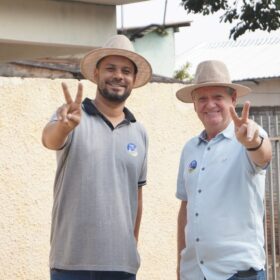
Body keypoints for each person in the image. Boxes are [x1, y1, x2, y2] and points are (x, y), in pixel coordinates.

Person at [42, 34, 152, 280]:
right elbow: (50, 139)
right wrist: (64, 127)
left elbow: (136, 197)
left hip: (121, 265)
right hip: (70, 262)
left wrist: (130, 247)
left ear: (133, 79)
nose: (118, 76)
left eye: (126, 70)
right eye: (110, 68)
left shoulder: (140, 132)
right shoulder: (72, 116)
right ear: (96, 73)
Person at [175, 60, 272, 280]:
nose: (210, 105)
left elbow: (264, 155)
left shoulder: (248, 135)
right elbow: (186, 208)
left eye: (218, 97)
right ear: (194, 103)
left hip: (238, 275)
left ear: (233, 99)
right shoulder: (189, 148)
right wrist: (181, 265)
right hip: (194, 274)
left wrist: (252, 142)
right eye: (202, 98)